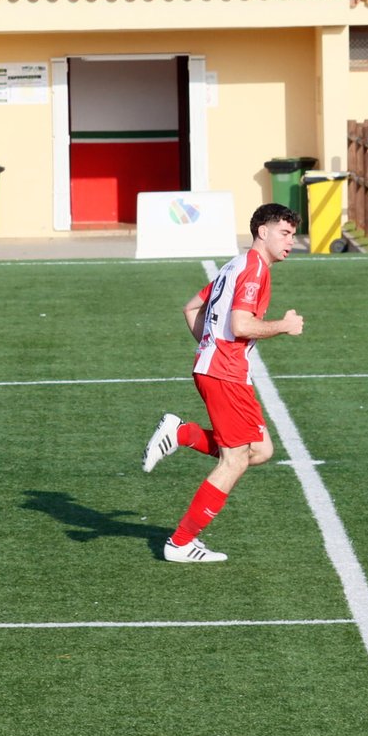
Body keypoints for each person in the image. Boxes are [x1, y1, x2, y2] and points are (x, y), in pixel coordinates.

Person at [141, 203, 306, 563]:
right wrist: (284, 325)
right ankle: (180, 543)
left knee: (260, 450)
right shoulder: (254, 269)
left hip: (219, 368)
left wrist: (208, 346)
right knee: (235, 460)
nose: (291, 241)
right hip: (225, 373)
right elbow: (241, 325)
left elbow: (190, 308)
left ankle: (181, 433)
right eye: (285, 233)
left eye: (293, 235)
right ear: (263, 231)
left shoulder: (236, 264)